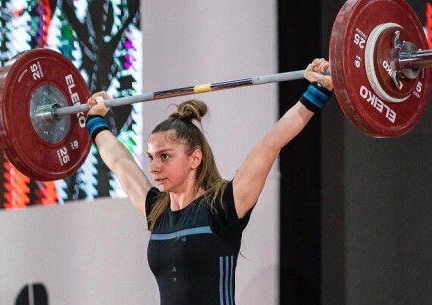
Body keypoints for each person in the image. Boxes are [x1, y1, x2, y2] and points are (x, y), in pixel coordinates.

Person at [85, 58, 332, 305]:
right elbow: (120, 163)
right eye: (151, 157)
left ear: (195, 158)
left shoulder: (223, 206)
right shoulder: (156, 210)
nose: (154, 167)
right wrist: (95, 119)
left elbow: (270, 145)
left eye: (165, 157)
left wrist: (318, 90)